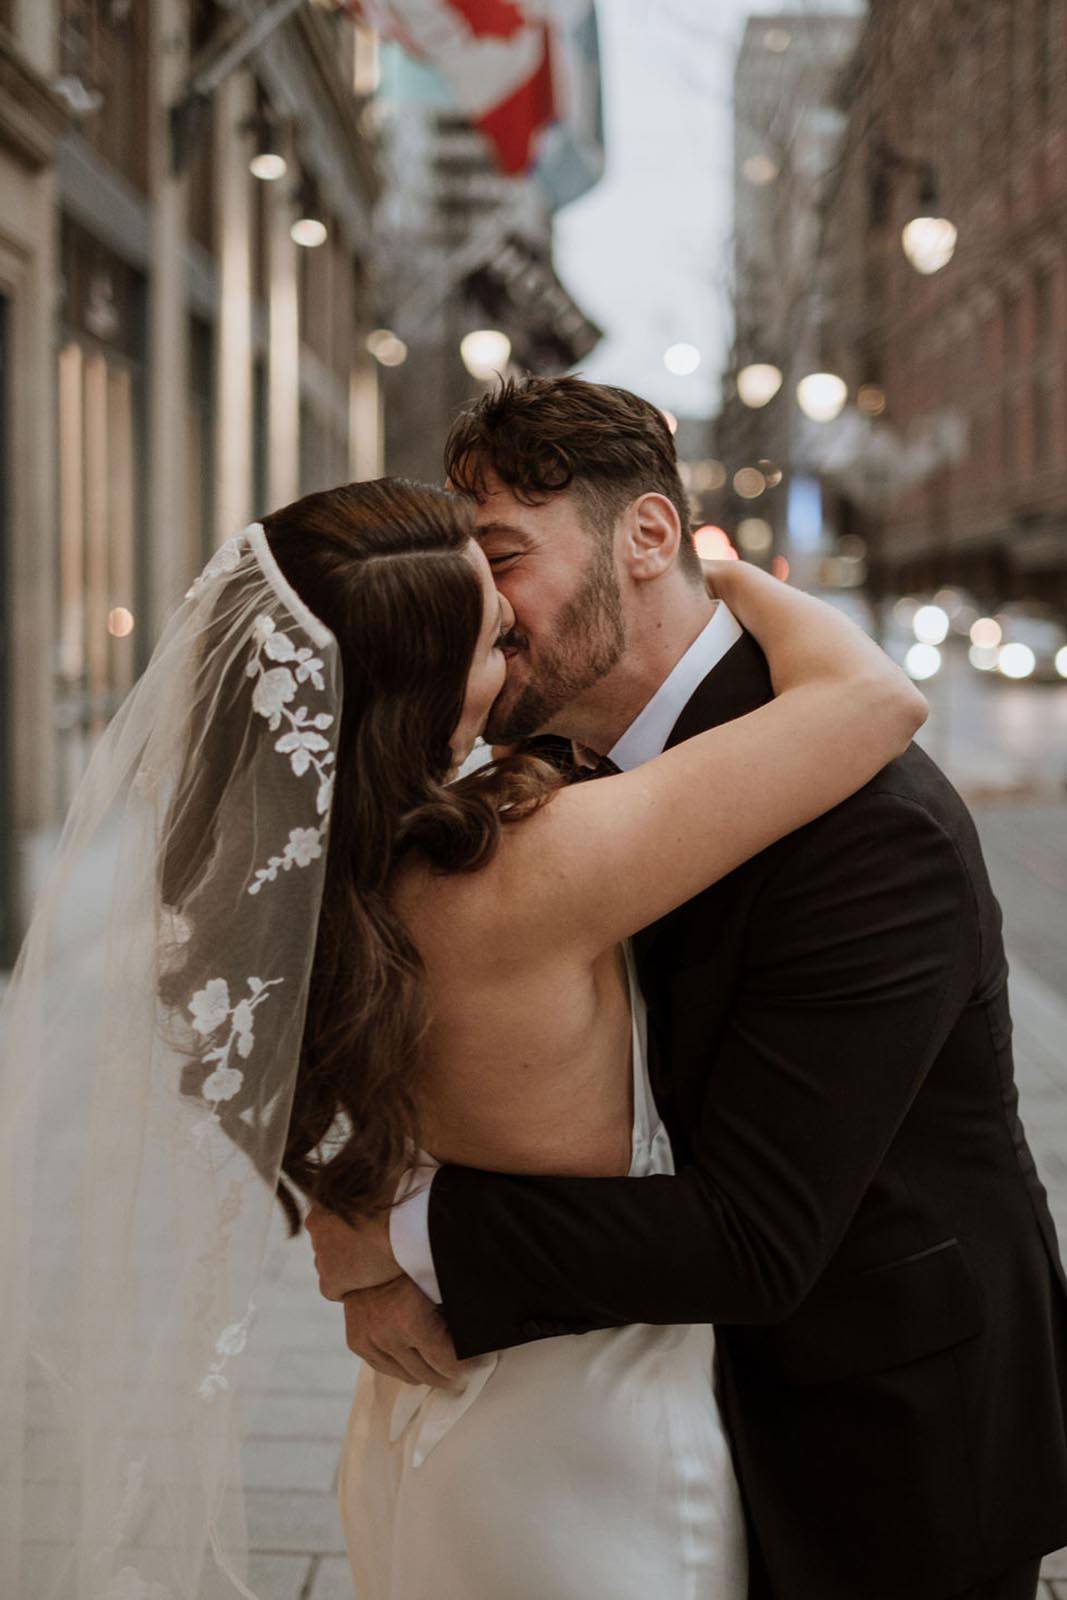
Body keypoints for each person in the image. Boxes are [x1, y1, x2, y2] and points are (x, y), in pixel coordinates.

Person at [309, 379, 1067, 1600]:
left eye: (505, 557)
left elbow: (755, 1237)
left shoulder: (869, 820)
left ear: (648, 537)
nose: (483, 608)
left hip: (872, 1433)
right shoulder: (531, 764)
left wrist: (389, 1233)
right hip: (651, 1420)